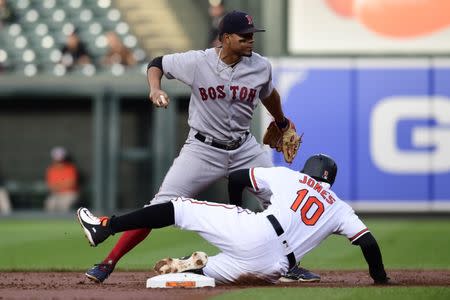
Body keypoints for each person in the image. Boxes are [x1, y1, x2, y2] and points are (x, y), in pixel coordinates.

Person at [83, 10, 317, 283]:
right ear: (226, 38)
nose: (251, 40)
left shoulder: (261, 66)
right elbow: (157, 63)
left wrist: (281, 120)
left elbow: (269, 93)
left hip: (245, 149)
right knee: (161, 205)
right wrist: (155, 88)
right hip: (203, 149)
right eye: (244, 36)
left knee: (281, 203)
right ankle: (108, 262)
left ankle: (290, 265)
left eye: (253, 35)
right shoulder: (197, 62)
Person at [77, 154, 389, 284]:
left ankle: (106, 226)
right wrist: (379, 278)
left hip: (255, 232)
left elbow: (238, 177)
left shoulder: (288, 176)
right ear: (329, 181)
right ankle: (194, 265)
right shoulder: (339, 207)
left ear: (306, 170)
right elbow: (368, 243)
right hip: (274, 267)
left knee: (177, 206)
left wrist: (236, 212)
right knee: (212, 273)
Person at [44, 147, 80, 212]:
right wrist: (62, 184)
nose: (59, 162)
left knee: (65, 204)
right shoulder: (51, 169)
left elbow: (71, 184)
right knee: (50, 203)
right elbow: (50, 185)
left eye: (61, 160)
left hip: (69, 194)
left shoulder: (70, 168)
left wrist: (58, 185)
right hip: (56, 194)